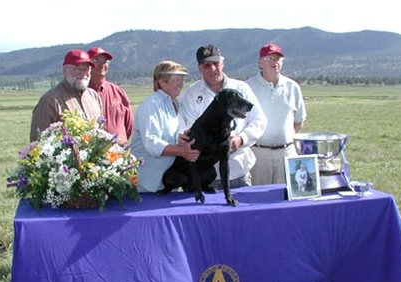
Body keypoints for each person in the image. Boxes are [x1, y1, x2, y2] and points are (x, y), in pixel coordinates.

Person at [179, 44, 267, 188]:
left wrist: (241, 139)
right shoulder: (191, 94)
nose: (212, 69)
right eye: (206, 65)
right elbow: (186, 127)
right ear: (200, 68)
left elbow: (259, 120)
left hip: (238, 172)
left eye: (215, 63)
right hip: (206, 176)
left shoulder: (240, 88)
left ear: (222, 63)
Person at [131, 61, 200, 193]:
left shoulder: (174, 103)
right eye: (176, 80)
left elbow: (169, 135)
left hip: (166, 181)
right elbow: (151, 143)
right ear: (162, 82)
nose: (181, 84)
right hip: (148, 183)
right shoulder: (151, 105)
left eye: (182, 80)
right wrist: (182, 152)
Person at [246, 43, 307, 185]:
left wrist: (282, 140)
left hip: (287, 153)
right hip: (258, 153)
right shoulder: (248, 87)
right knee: (258, 199)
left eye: (278, 59)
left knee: (286, 199)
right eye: (269, 59)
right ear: (260, 63)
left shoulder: (293, 87)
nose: (274, 62)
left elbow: (299, 121)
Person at [30, 49, 102, 142]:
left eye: (86, 69)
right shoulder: (50, 100)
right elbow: (37, 141)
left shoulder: (94, 96)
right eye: (77, 68)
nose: (83, 73)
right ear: (64, 71)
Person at [87, 47, 134, 143]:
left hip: (118, 152)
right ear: (88, 64)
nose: (102, 65)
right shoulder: (81, 93)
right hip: (92, 153)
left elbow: (129, 125)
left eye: (106, 61)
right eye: (97, 60)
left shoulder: (119, 92)